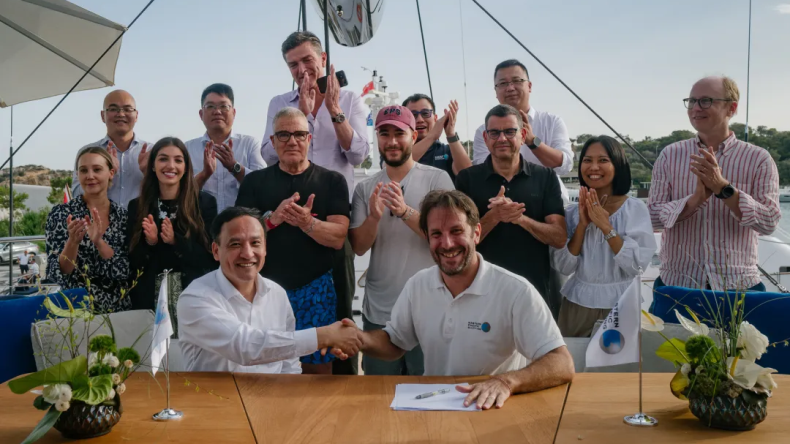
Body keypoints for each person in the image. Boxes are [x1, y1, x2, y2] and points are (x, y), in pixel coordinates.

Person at [348, 190, 573, 409]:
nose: (447, 244)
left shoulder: (516, 291)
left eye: (456, 231)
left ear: (476, 233)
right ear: (428, 238)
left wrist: (506, 382)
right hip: (433, 408)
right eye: (436, 234)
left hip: (492, 410)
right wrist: (358, 338)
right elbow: (395, 342)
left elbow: (561, 362)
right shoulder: (418, 285)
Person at [262, 31, 368, 374]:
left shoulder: (349, 99)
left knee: (341, 310)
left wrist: (333, 110)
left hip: (334, 220)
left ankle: (344, 383)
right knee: (284, 309)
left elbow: (358, 154)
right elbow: (268, 154)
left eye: (307, 60)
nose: (301, 69)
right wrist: (303, 115)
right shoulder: (280, 103)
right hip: (289, 218)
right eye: (293, 64)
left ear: (323, 59)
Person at [177, 207, 362, 373]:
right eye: (235, 244)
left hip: (271, 397)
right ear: (216, 251)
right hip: (215, 399)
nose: (247, 253)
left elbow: (289, 364)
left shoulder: (277, 293)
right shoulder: (195, 298)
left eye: (255, 243)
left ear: (265, 248)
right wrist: (324, 336)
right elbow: (245, 347)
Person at [237, 107, 350, 375]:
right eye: (283, 135)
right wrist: (272, 219)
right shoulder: (254, 182)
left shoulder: (332, 181)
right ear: (273, 141)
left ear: (309, 139)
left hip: (316, 289)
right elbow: (239, 237)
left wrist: (307, 223)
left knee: (317, 371)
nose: (292, 141)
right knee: (263, 367)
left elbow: (338, 238)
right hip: (264, 291)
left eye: (299, 134)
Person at [350, 105, 455, 376]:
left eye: (399, 133)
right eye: (384, 134)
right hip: (380, 311)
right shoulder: (365, 187)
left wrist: (404, 211)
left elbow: (448, 238)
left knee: (430, 391)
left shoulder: (437, 178)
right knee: (377, 394)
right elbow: (359, 247)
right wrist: (374, 218)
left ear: (413, 136)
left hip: (431, 308)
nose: (392, 141)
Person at [648, 76, 780, 291]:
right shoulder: (669, 155)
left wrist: (723, 189)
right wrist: (694, 201)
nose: (695, 108)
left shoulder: (758, 159)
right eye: (692, 101)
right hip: (678, 284)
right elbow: (652, 217)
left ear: (732, 108)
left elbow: (769, 222)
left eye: (705, 101)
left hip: (739, 285)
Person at [456, 104, 566, 309]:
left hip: (533, 292)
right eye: (494, 133)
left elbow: (559, 237)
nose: (502, 138)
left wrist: (520, 219)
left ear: (523, 135)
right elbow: (460, 241)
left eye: (509, 131)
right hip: (481, 291)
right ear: (485, 138)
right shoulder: (467, 179)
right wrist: (494, 216)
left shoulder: (545, 177)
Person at [551, 136, 657, 337]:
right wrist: (582, 225)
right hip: (577, 304)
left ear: (618, 165)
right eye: (587, 160)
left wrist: (606, 227)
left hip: (621, 304)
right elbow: (564, 266)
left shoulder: (634, 209)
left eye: (603, 160)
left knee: (620, 358)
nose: (594, 167)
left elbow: (636, 265)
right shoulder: (572, 213)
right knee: (574, 356)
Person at [127, 137, 218, 335]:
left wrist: (176, 241)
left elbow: (211, 257)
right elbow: (132, 262)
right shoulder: (137, 206)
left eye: (178, 160)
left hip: (193, 298)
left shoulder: (204, 203)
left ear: (186, 167)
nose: (171, 165)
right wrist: (151, 242)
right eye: (163, 159)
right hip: (149, 302)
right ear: (152, 166)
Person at [471, 60, 573, 204]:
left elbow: (565, 165)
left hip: (549, 204)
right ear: (496, 91)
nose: (510, 88)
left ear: (529, 86)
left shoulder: (552, 122)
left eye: (517, 81)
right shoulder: (484, 131)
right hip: (501, 204)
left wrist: (533, 141)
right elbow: (483, 173)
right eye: (503, 83)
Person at [47, 147, 130, 313]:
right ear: (78, 175)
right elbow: (58, 273)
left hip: (118, 310)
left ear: (111, 173)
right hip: (76, 310)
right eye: (83, 170)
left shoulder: (123, 217)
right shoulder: (61, 214)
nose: (90, 176)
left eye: (97, 169)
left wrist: (99, 242)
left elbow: (123, 271)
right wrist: (73, 242)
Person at [186, 83, 267, 212]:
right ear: (201, 114)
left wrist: (235, 167)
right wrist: (204, 174)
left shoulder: (250, 144)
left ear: (233, 113)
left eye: (224, 106)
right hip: (201, 222)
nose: (217, 111)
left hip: (241, 221)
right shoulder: (188, 149)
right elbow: (180, 193)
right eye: (210, 106)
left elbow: (264, 186)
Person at [72, 90, 150, 208]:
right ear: (102, 116)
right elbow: (76, 195)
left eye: (127, 109)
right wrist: (105, 175)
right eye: (113, 109)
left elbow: (167, 193)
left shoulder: (152, 152)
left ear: (136, 115)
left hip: (141, 219)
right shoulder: (87, 153)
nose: (121, 114)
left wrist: (148, 174)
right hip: (98, 218)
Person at [397, 94, 472, 181]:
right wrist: (432, 136)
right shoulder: (394, 150)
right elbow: (398, 166)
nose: (420, 120)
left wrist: (451, 134)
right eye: (413, 115)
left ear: (435, 118)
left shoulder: (447, 151)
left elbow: (468, 176)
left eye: (425, 113)